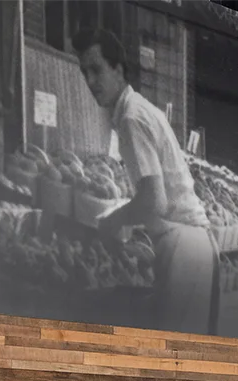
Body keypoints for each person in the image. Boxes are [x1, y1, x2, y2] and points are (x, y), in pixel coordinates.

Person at [75, 29, 216, 336]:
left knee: (177, 365)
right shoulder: (138, 109)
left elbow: (155, 200)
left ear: (119, 70)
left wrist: (111, 222)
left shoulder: (131, 118)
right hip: (191, 246)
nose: (90, 81)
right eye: (84, 71)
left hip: (185, 247)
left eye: (97, 70)